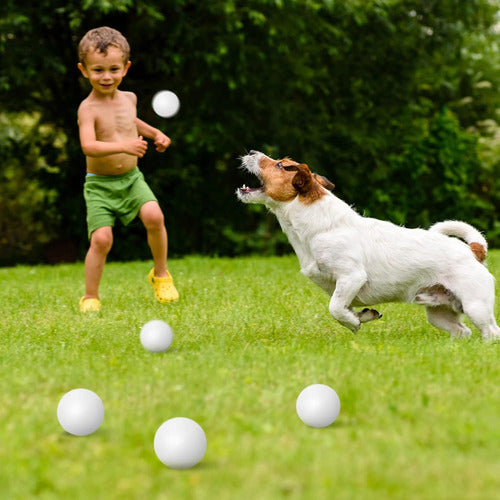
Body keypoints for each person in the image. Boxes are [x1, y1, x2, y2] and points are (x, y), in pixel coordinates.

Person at [76, 26, 178, 312]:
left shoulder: (129, 98)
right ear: (84, 70)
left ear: (126, 68)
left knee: (154, 216)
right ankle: (90, 296)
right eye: (98, 70)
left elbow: (132, 123)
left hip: (132, 179)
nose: (106, 76)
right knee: (101, 239)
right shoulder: (88, 109)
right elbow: (88, 146)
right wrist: (124, 146)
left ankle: (161, 275)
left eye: (113, 69)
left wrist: (155, 132)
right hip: (100, 184)